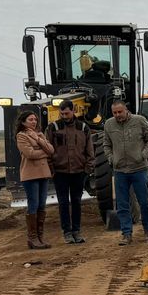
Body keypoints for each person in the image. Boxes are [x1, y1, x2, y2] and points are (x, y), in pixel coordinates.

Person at [102, 98, 148, 245]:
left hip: (139, 169)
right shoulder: (109, 124)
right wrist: (112, 159)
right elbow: (106, 144)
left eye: (120, 111)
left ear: (126, 110)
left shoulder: (139, 121)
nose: (117, 115)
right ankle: (126, 234)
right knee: (122, 204)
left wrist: (143, 155)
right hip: (120, 171)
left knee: (144, 202)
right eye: (115, 112)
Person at [46, 101, 93, 244]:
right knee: (63, 203)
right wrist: (52, 169)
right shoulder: (53, 128)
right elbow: (47, 149)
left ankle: (77, 231)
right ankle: (67, 232)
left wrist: (88, 169)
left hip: (78, 172)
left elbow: (90, 150)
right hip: (60, 172)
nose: (64, 116)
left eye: (67, 113)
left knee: (77, 202)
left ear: (73, 111)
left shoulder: (83, 128)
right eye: (62, 113)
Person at [15, 110, 54, 249]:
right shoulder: (21, 136)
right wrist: (44, 152)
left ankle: (39, 237)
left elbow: (52, 149)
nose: (34, 122)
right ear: (23, 121)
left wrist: (38, 140)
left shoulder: (39, 134)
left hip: (43, 173)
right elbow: (29, 153)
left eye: (35, 119)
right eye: (30, 119)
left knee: (42, 205)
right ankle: (32, 238)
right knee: (34, 204)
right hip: (30, 175)